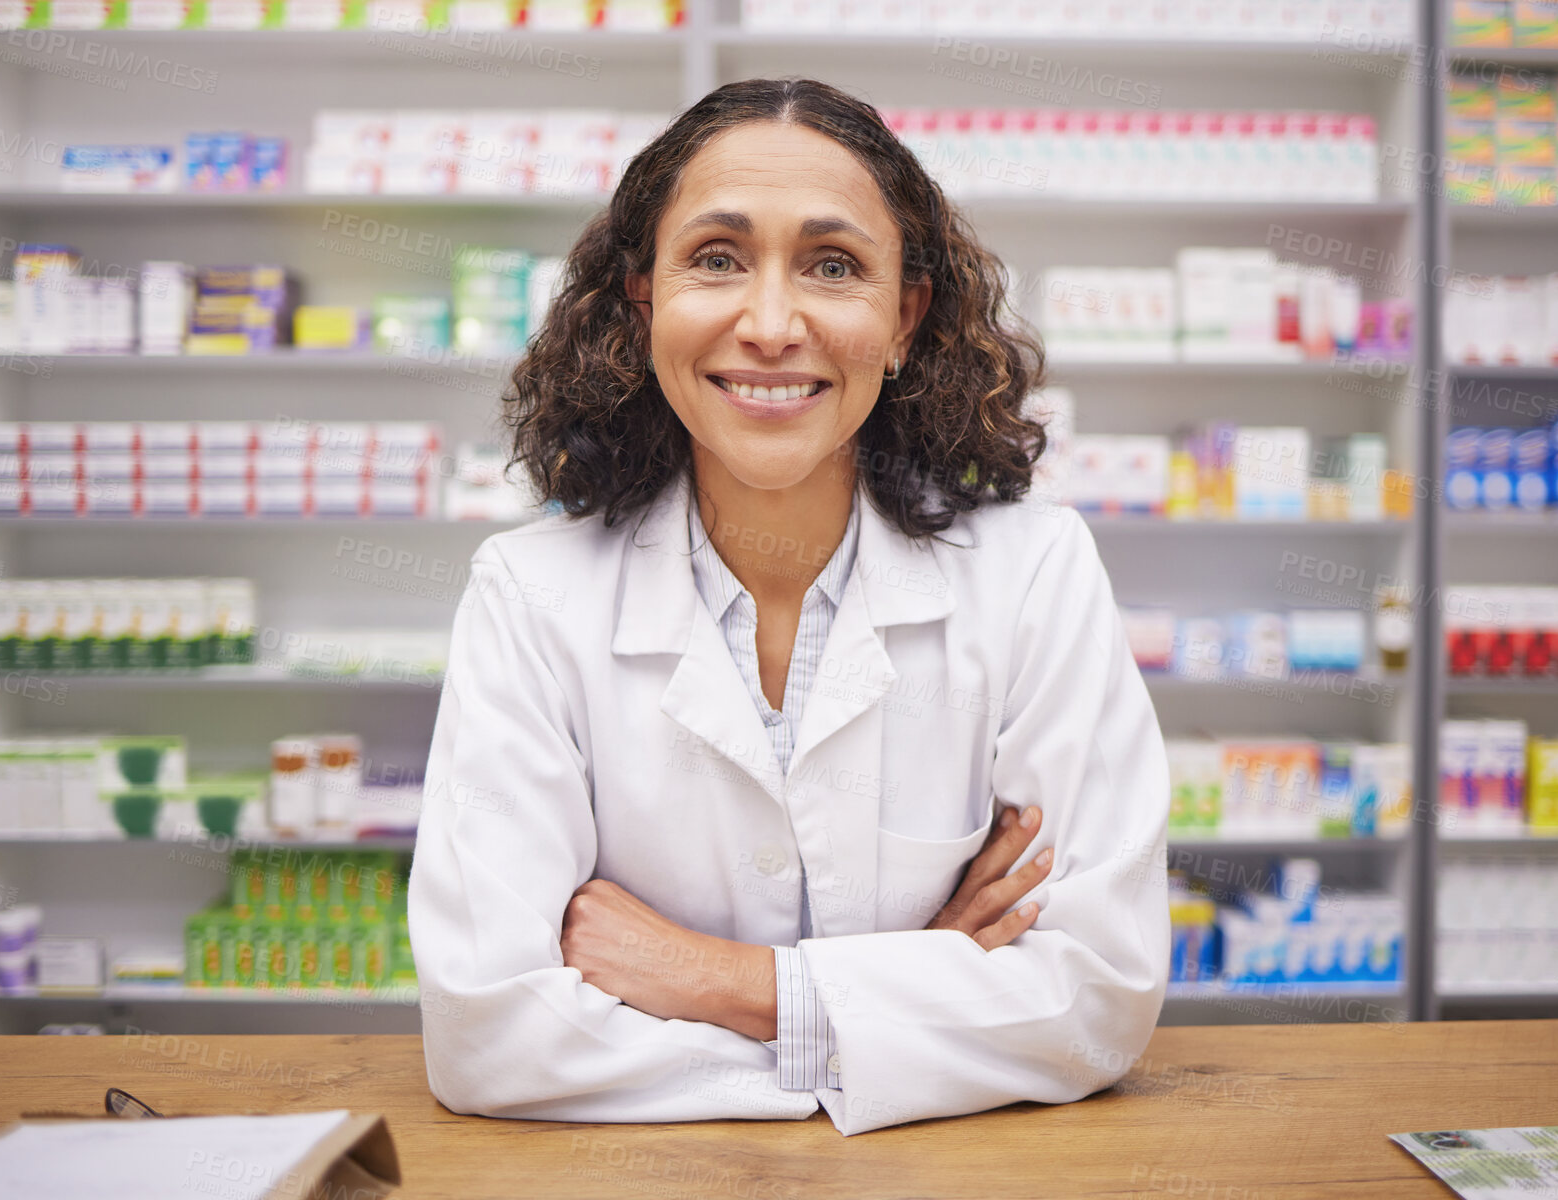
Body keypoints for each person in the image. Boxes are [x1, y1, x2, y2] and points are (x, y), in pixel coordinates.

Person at [407, 77, 1171, 1137]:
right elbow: (489, 1039)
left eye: (833, 265)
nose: (769, 325)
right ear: (642, 303)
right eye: (716, 258)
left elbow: (1095, 999)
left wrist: (720, 982)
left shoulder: (1031, 574)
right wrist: (916, 999)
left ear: (905, 314)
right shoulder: (530, 598)